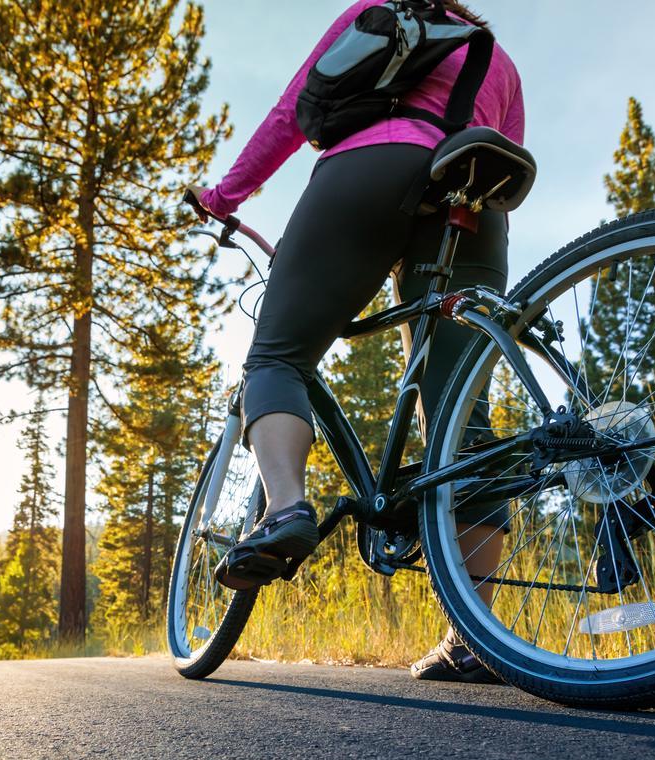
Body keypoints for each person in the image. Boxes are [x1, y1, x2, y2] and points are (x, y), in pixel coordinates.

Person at [188, 1, 524, 684]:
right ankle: (476, 637)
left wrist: (226, 196)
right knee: (462, 417)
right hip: (474, 199)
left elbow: (293, 111)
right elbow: (513, 155)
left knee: (278, 357)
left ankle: (285, 512)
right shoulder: (503, 61)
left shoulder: (380, 13)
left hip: (370, 172)